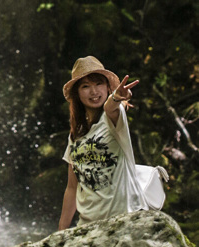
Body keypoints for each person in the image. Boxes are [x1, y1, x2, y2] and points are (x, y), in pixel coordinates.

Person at [58, 54, 145, 230]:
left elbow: (110, 106)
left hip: (122, 221)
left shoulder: (113, 118)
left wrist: (116, 97)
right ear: (77, 93)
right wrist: (60, 232)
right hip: (89, 226)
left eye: (99, 84)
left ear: (107, 87)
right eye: (85, 86)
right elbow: (72, 188)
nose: (94, 91)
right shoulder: (76, 135)